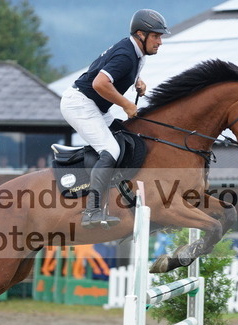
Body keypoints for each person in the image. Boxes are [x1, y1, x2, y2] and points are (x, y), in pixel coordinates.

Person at [60, 9, 169, 229]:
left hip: (95, 105)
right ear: (141, 35)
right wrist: (126, 104)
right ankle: (91, 211)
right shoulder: (127, 55)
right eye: (156, 36)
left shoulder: (136, 52)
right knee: (111, 150)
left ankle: (124, 198)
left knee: (128, 138)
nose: (160, 42)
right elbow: (99, 83)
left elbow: (118, 70)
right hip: (80, 104)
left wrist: (138, 81)